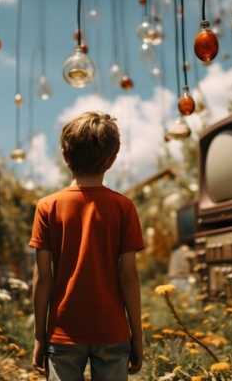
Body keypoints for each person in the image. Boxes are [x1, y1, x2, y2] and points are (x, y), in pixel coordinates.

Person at [29, 111, 145, 381]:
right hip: (113, 331)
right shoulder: (124, 208)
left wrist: (39, 337)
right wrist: (136, 336)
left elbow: (42, 276)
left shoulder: (47, 207)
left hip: (63, 333)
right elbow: (128, 276)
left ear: (66, 157)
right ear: (112, 160)